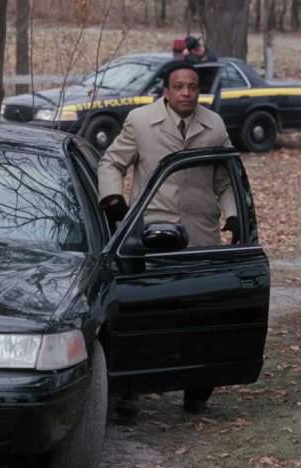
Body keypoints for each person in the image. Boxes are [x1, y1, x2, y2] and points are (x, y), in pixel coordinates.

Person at [97, 61, 238, 415]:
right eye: (179, 87)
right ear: (166, 90)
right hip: (153, 235)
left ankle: (198, 388)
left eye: (192, 87)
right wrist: (114, 202)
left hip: (202, 234)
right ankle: (131, 390)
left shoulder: (214, 125)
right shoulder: (141, 122)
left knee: (202, 312)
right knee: (147, 311)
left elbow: (225, 178)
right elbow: (111, 162)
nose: (186, 93)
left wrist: (234, 215)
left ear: (199, 90)